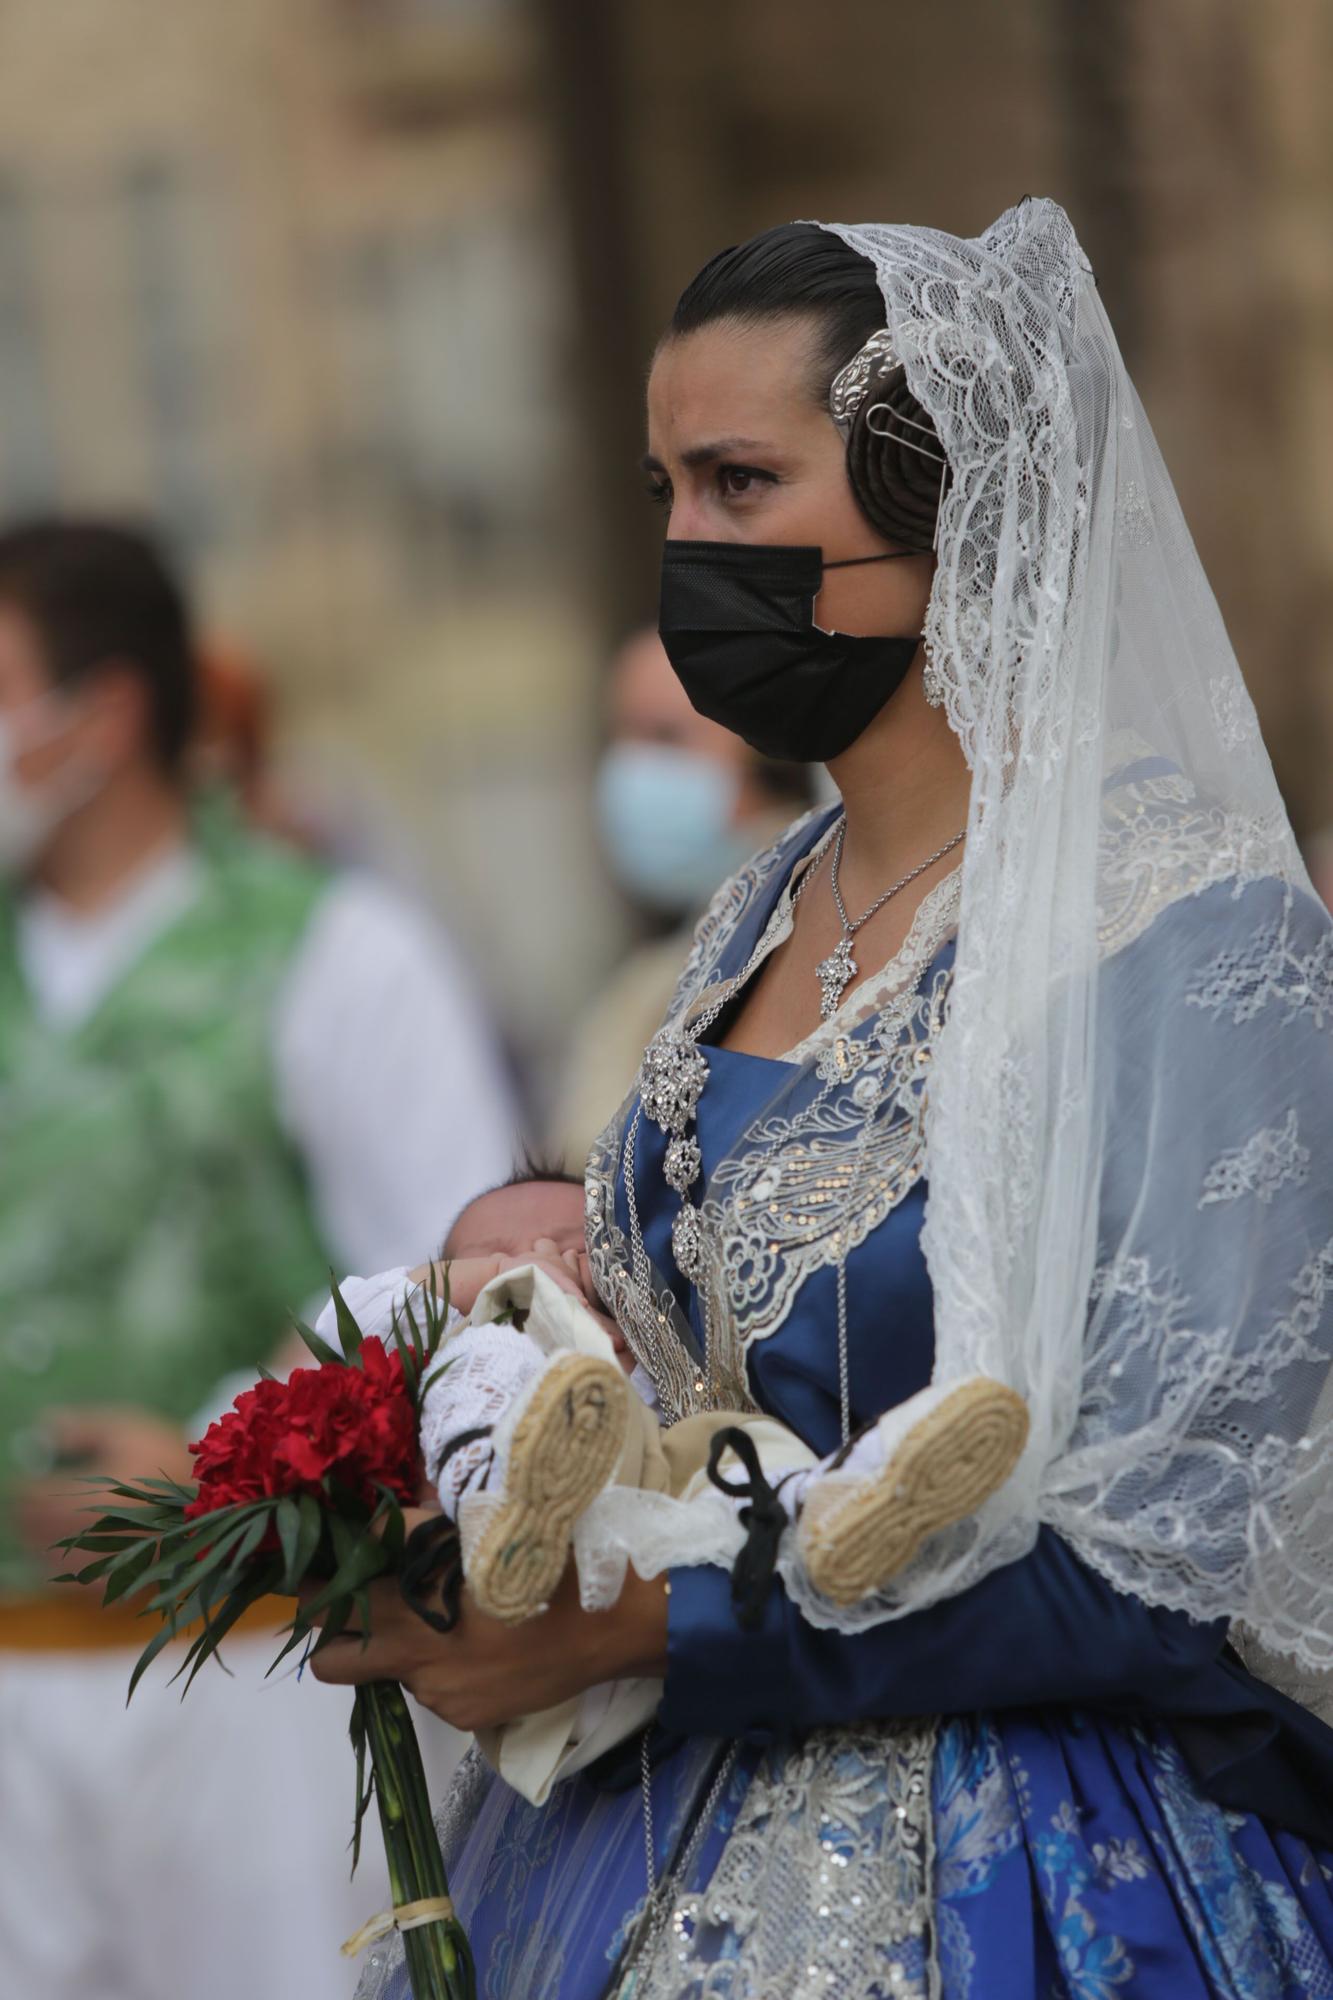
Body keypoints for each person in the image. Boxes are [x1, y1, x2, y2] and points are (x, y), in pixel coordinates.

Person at [314, 202, 1333, 2000]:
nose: (690, 549)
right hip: (624, 1830)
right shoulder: (748, 911)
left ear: (940, 512)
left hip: (1026, 1865)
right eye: (664, 496)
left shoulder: (1180, 924)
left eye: (739, 484)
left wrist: (655, 1629)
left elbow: (1182, 1554)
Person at [0, 520, 519, 2000]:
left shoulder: (339, 952)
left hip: (252, 1685)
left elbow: (459, 1284)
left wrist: (212, 1456)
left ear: (96, 720)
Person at [321, 1170, 1025, 1805]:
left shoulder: (657, 1372)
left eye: (582, 1244)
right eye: (496, 1246)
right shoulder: (477, 1336)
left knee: (739, 1455)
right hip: (540, 1624)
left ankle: (850, 1509)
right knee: (486, 1357)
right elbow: (347, 1325)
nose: (549, 1255)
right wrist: (500, 1277)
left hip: (665, 1548)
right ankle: (502, 1506)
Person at [551, 627, 813, 1167]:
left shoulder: (812, 935)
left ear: (768, 751)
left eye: (667, 737)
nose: (632, 770)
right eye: (621, 735)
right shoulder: (650, 978)